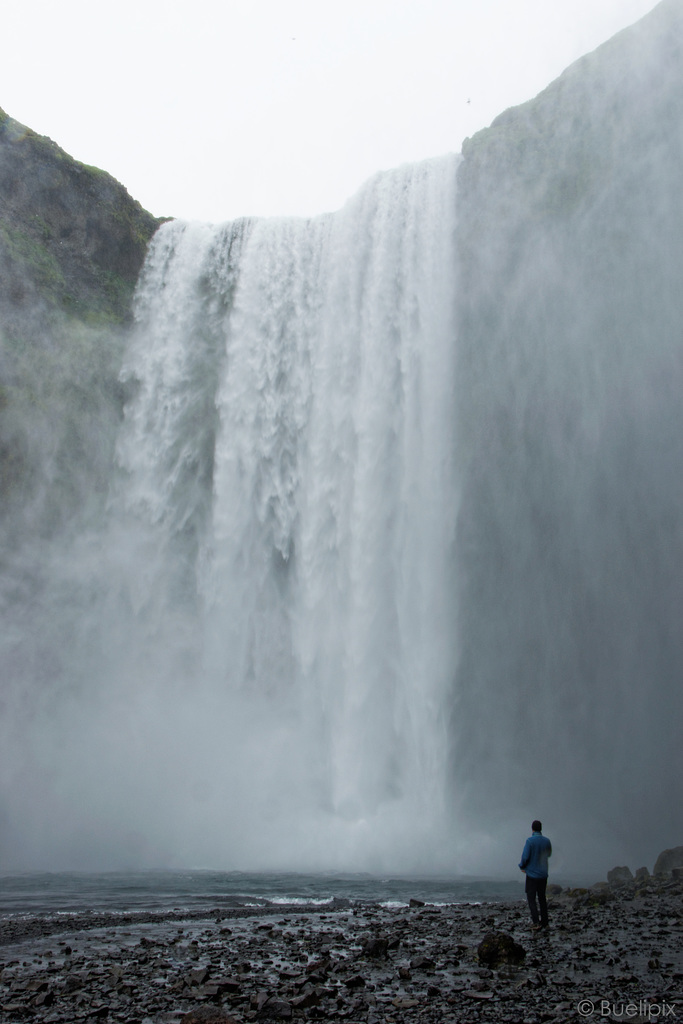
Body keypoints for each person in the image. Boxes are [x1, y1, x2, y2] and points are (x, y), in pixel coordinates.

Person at [519, 819, 552, 930]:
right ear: (540, 829)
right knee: (542, 898)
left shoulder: (530, 841)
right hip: (543, 874)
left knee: (531, 898)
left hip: (532, 875)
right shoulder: (547, 841)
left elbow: (525, 857)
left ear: (532, 829)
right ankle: (545, 922)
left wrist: (522, 866)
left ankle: (536, 922)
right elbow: (549, 854)